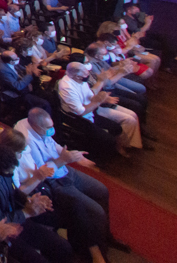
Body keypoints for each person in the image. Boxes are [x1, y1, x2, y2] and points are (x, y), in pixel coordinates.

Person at [15, 109, 126, 262]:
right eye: (48, 128)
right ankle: (96, 251)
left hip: (65, 169)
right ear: (36, 127)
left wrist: (74, 156)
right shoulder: (26, 140)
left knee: (102, 190)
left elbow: (53, 145)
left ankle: (106, 236)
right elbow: (44, 173)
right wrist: (63, 160)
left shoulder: (38, 127)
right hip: (55, 181)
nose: (51, 130)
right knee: (96, 212)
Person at [0, 143, 74, 263]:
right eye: (8, 172)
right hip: (4, 231)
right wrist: (26, 212)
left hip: (17, 217)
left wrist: (28, 200)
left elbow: (13, 191)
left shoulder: (3, 169)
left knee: (64, 248)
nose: (10, 174)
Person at [58, 62, 142, 158]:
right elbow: (81, 112)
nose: (88, 75)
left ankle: (117, 148)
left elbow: (90, 95)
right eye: (85, 74)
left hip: (91, 111)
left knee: (117, 128)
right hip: (77, 119)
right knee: (108, 139)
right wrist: (99, 101)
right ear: (77, 76)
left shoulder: (80, 80)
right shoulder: (67, 88)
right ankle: (103, 157)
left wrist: (101, 92)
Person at [0, 50, 51, 115]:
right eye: (16, 58)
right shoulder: (3, 70)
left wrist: (31, 69)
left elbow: (23, 69)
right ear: (11, 62)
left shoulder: (10, 60)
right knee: (44, 104)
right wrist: (29, 74)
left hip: (24, 86)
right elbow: (18, 86)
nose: (18, 59)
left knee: (48, 96)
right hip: (16, 94)